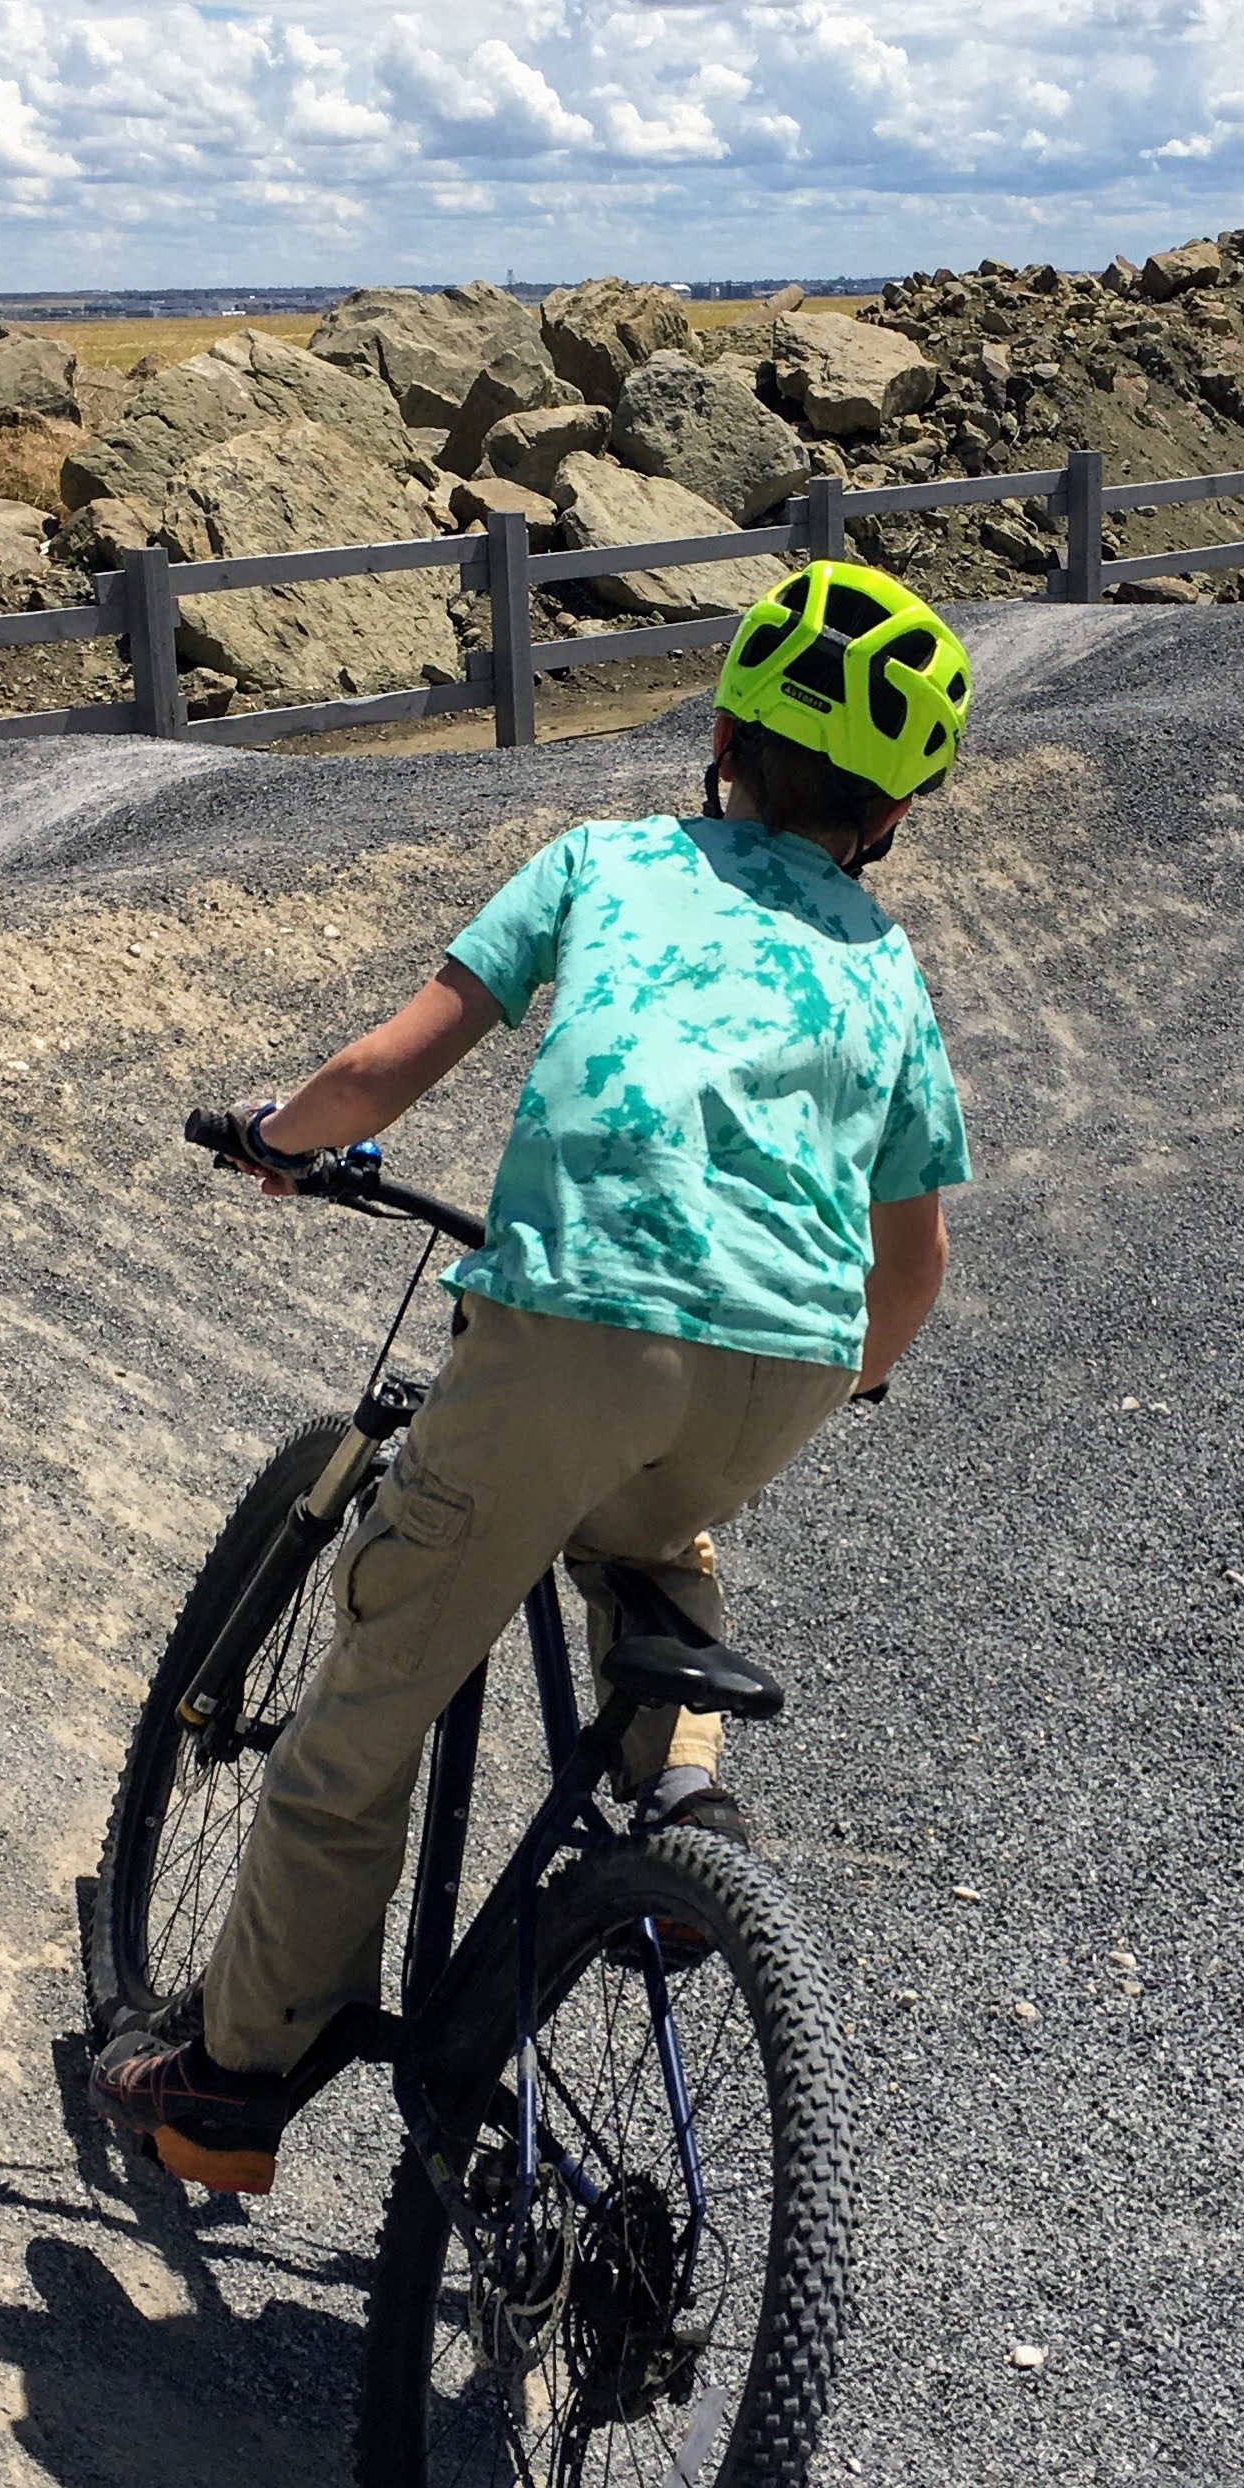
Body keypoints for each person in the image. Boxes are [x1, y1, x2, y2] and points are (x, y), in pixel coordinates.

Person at [96, 562, 977, 2194]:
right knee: (653, 1528)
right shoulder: (888, 963)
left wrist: (281, 1145)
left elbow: (380, 1072)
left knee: (363, 1716)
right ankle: (680, 1802)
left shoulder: (608, 862)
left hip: (570, 1328)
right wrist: (837, 1383)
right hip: (779, 1364)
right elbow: (913, 1266)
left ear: (718, 735)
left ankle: (227, 2087)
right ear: (897, 816)